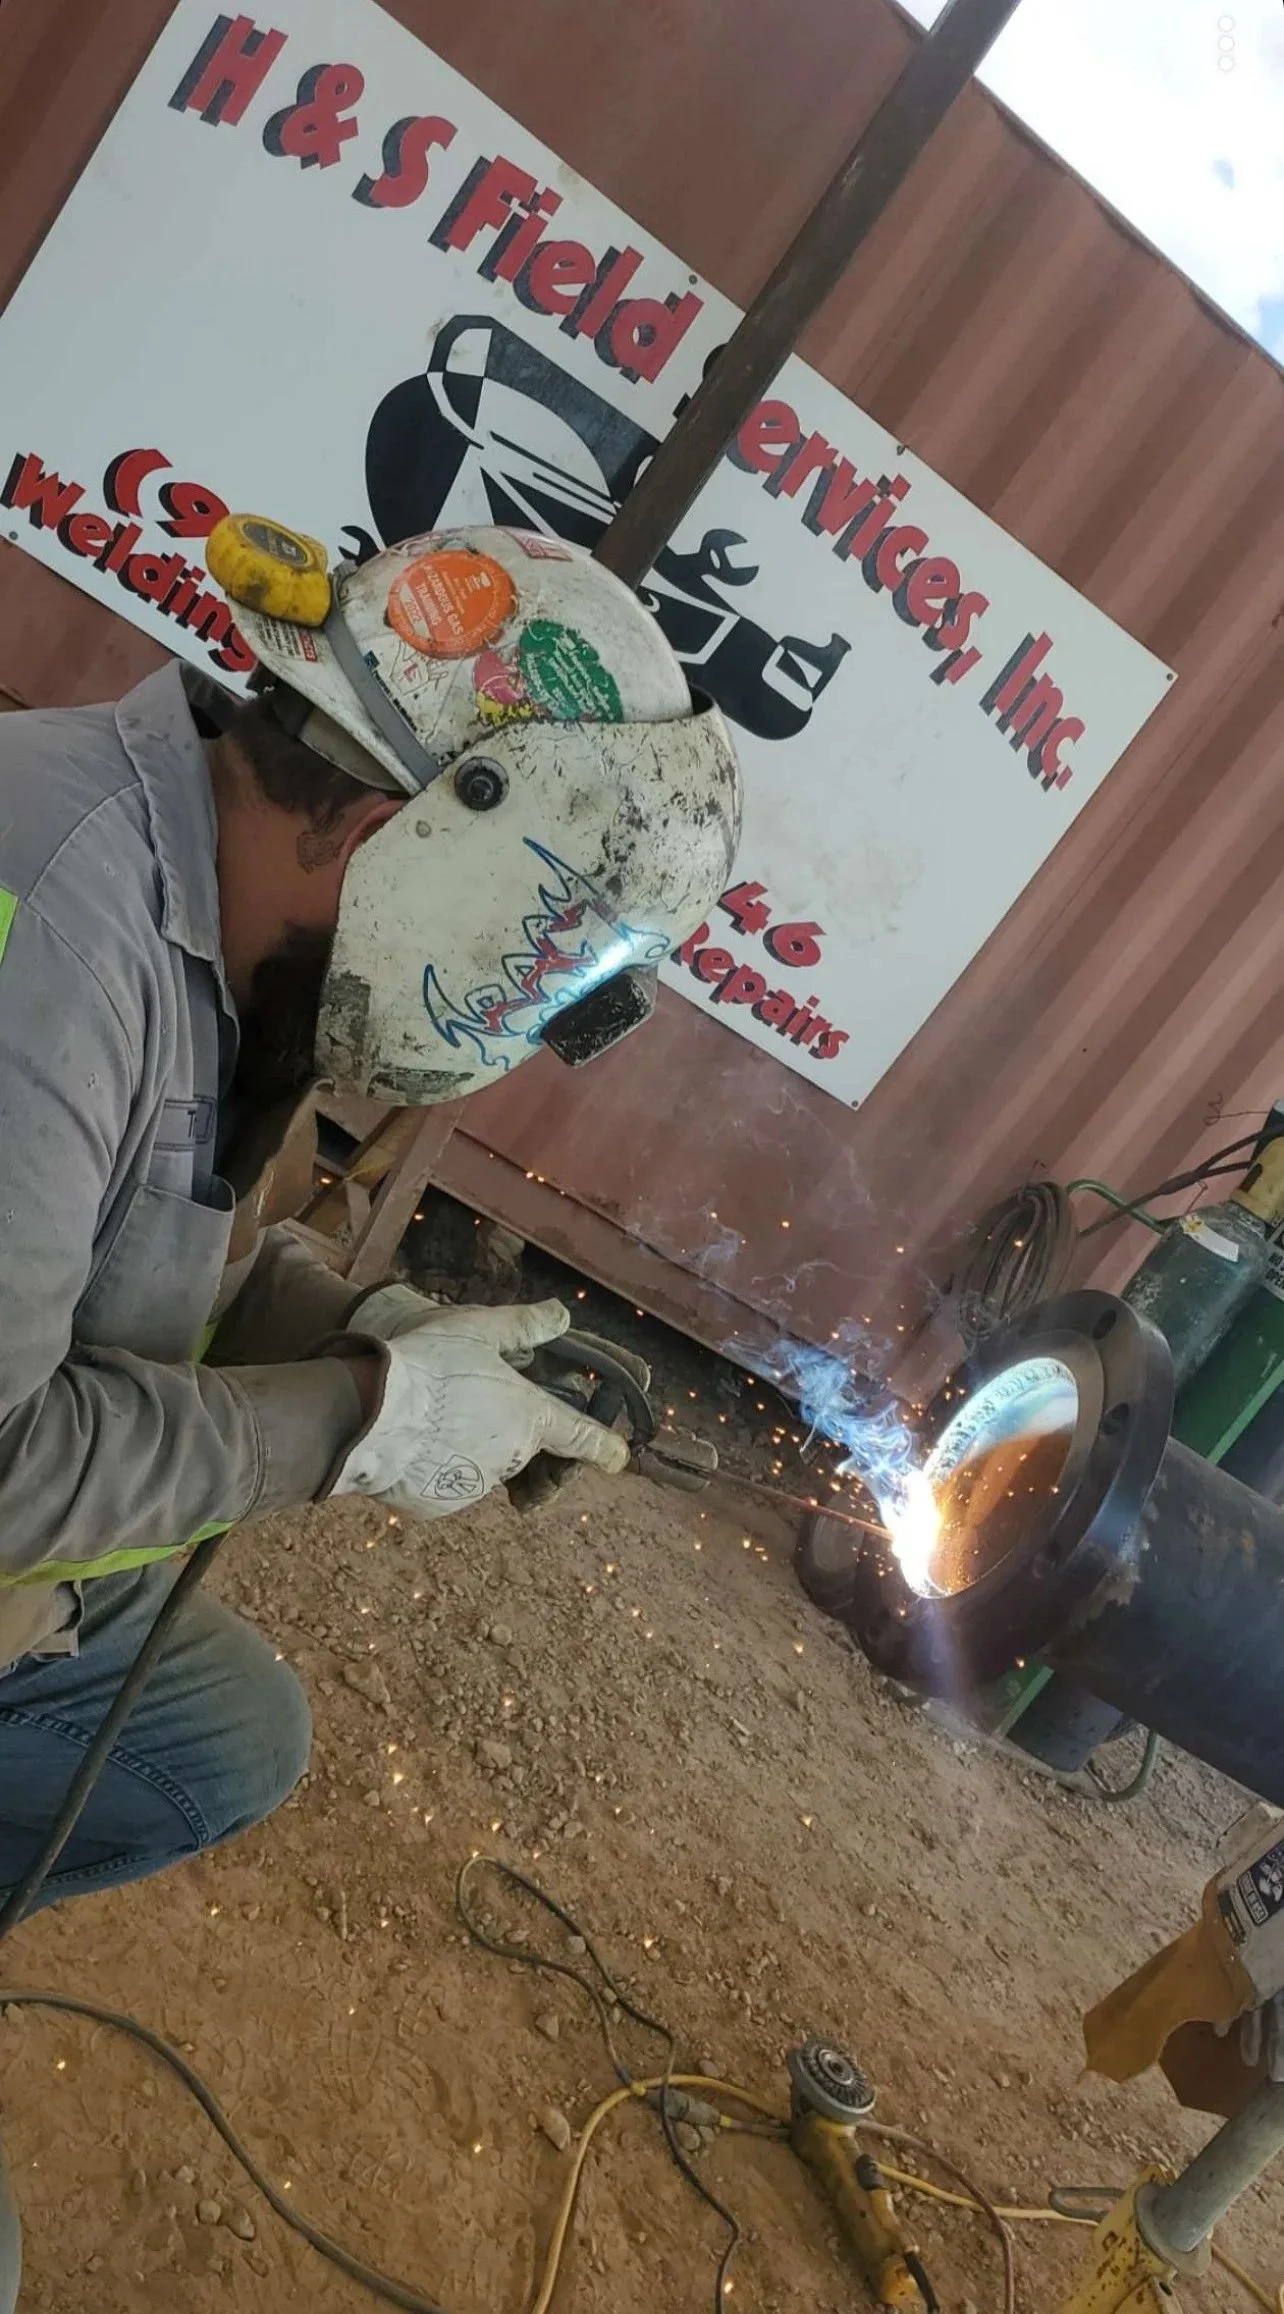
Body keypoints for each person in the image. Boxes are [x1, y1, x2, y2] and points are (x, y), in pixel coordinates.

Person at [0, 516, 740, 2305]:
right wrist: (356, 1413)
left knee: (222, 1732)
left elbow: (155, 1280)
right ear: (419, 830)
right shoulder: (59, 930)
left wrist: (395, 1329)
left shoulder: (225, 916)